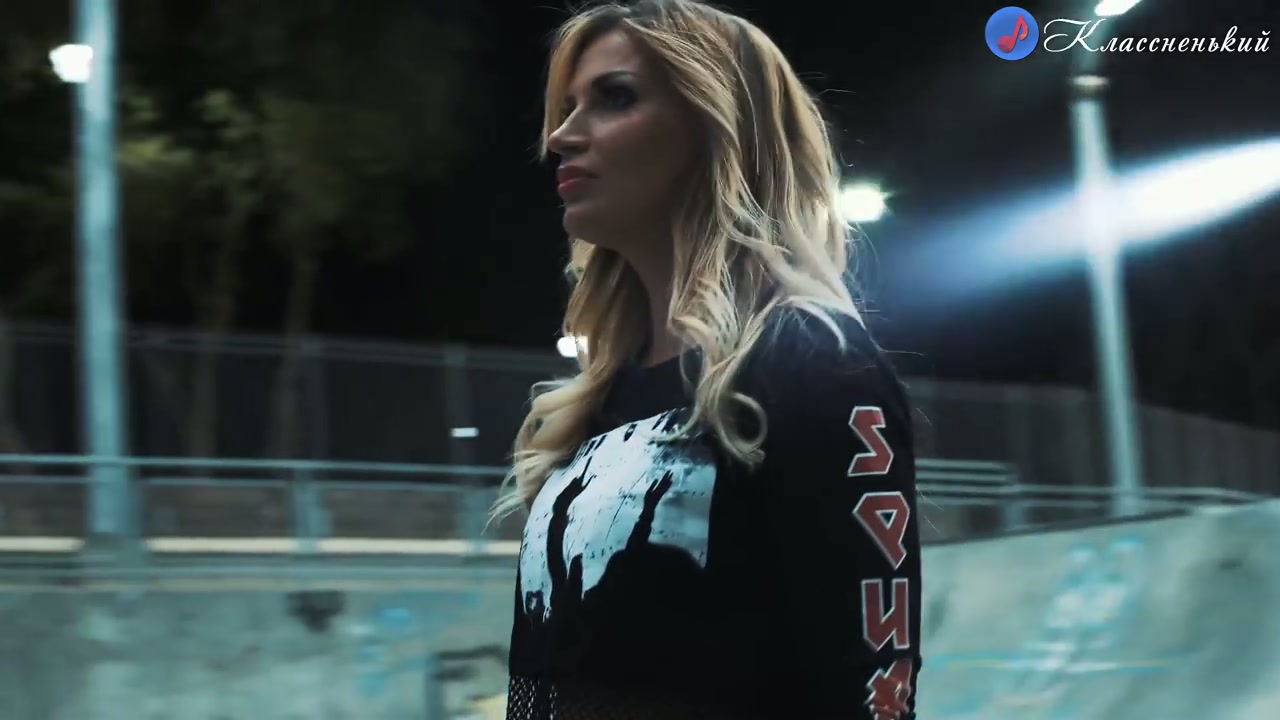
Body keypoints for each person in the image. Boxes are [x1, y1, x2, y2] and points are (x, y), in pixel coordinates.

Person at [494, 1, 921, 718]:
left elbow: (869, 692)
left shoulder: (816, 365)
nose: (561, 136)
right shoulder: (601, 394)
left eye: (614, 98)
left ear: (715, 127)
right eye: (566, 108)